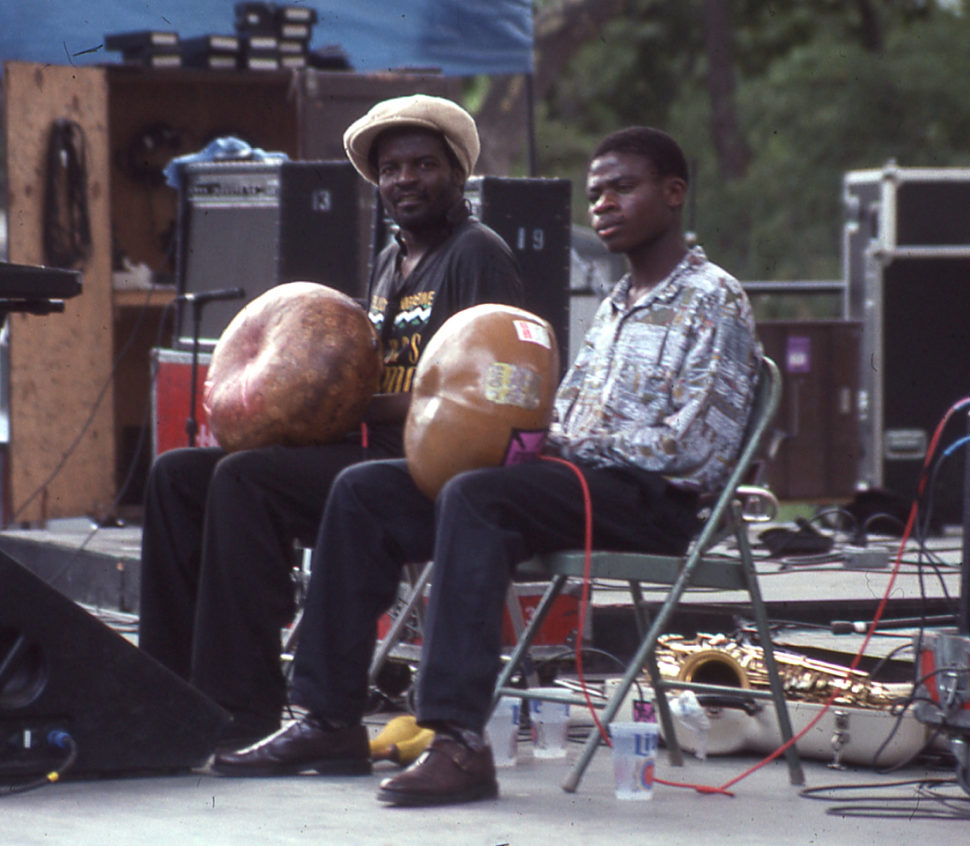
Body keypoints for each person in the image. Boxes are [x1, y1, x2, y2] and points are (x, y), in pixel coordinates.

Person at [213, 127, 761, 805]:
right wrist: (526, 440)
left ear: (674, 194)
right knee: (365, 490)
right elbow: (567, 418)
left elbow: (695, 451)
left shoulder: (714, 298)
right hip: (573, 481)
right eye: (594, 194)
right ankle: (329, 719)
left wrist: (563, 446)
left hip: (650, 500)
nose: (603, 205)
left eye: (623, 188)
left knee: (477, 497)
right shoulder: (616, 307)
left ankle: (459, 741)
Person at [138, 94, 525, 747]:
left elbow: (484, 391)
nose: (405, 180)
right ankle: (164, 692)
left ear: (457, 174)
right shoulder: (387, 262)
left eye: (423, 165)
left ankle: (239, 706)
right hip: (363, 449)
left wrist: (351, 408)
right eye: (391, 169)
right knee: (179, 476)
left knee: (247, 481)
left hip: (424, 469)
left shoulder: (475, 255)